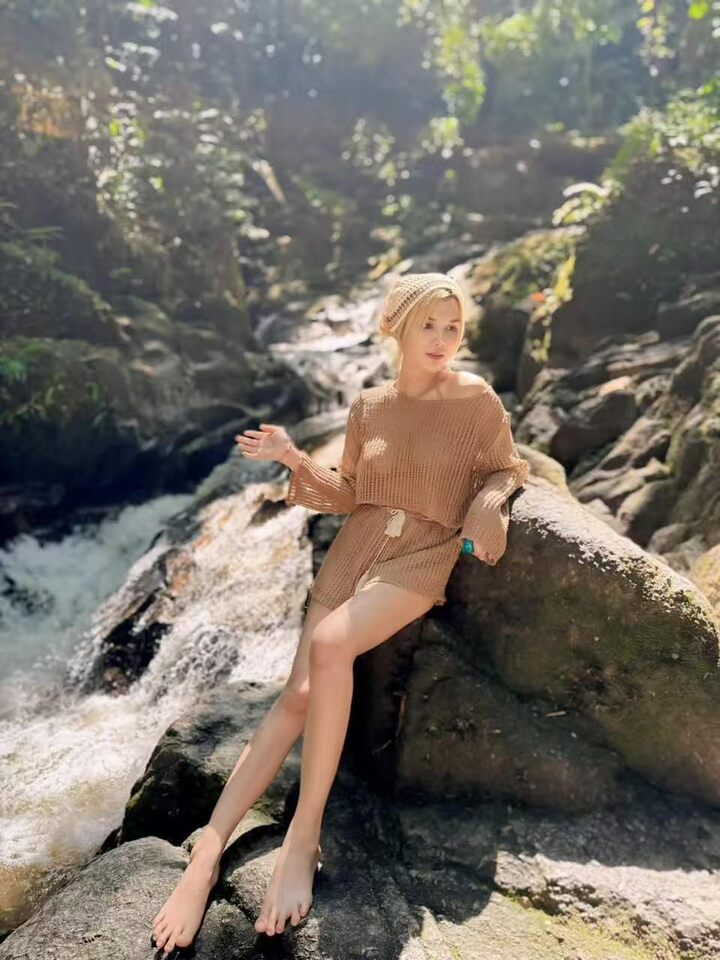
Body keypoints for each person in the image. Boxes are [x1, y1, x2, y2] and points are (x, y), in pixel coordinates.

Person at [150, 272, 530, 953]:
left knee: (330, 646)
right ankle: (208, 848)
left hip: (420, 555)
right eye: (429, 325)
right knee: (295, 698)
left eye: (452, 327)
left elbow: (507, 466)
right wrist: (291, 458)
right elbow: (349, 493)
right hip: (354, 550)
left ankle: (304, 836)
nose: (442, 339)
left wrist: (488, 505)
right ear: (399, 329)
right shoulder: (369, 406)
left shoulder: (474, 398)